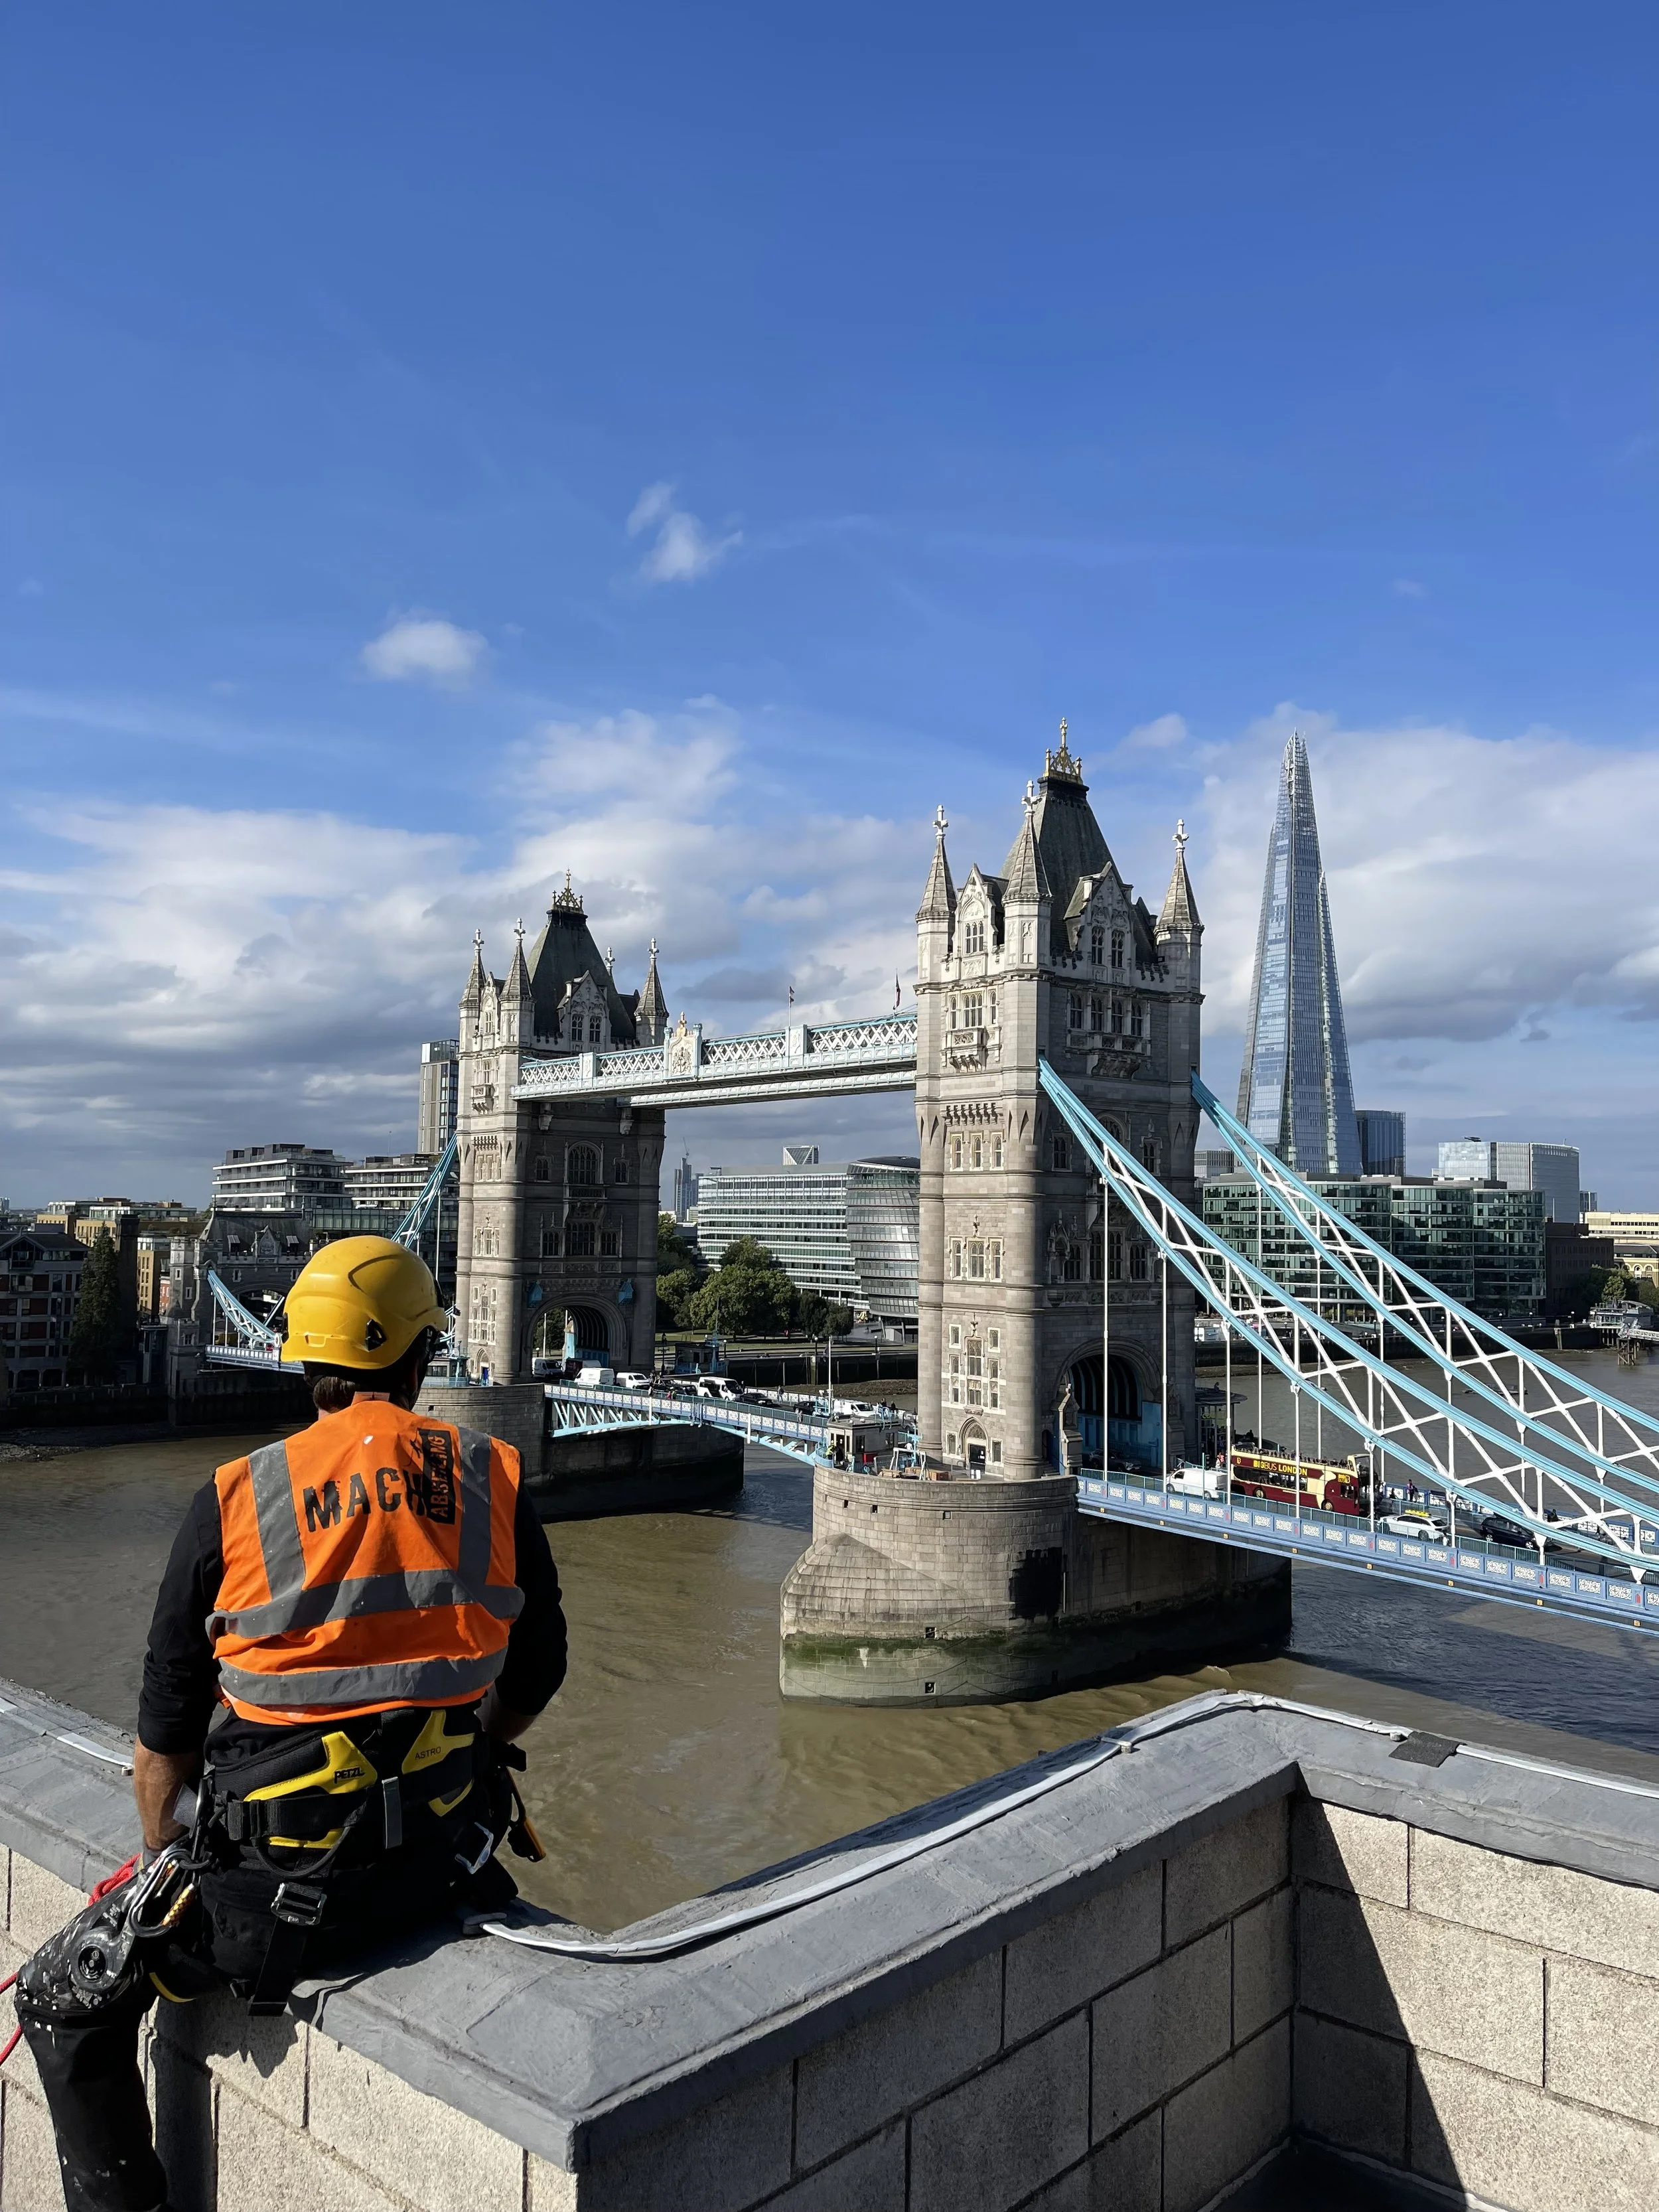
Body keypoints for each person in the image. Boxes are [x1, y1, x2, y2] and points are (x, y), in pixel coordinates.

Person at [17, 1236, 566, 2212]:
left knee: (61, 2001)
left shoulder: (237, 1497)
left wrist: (165, 1857)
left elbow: (162, 1743)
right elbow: (543, 1664)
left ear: (307, 1356)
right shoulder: (490, 1476)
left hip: (266, 1906)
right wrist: (483, 1738)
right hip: (443, 1863)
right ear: (420, 1354)